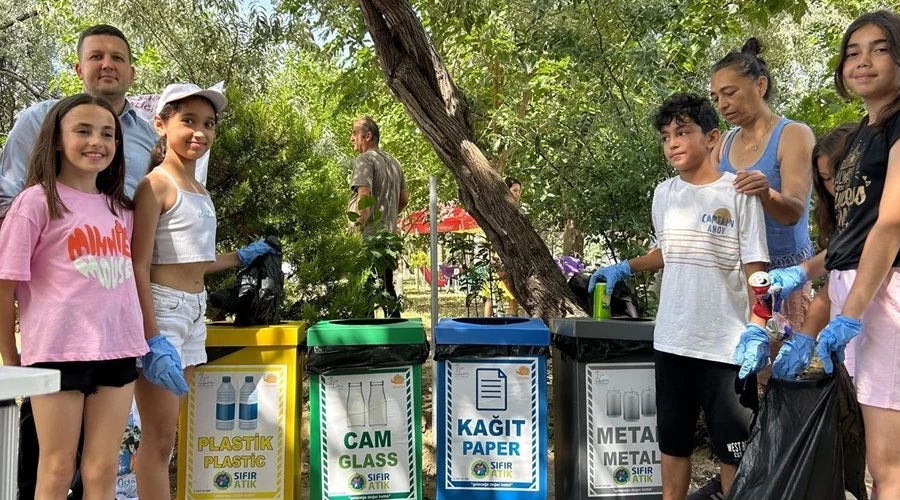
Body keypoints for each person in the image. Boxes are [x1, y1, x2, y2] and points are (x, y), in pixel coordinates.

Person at [588, 93, 769, 499]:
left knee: (733, 451)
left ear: (712, 138)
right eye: (667, 135)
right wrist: (626, 267)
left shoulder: (738, 192)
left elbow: (757, 269)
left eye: (683, 132)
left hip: (727, 347)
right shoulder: (664, 194)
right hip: (672, 340)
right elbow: (671, 251)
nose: (673, 142)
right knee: (672, 443)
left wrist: (758, 329)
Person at [769, 11, 900, 495]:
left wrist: (852, 313)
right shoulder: (867, 130)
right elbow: (851, 238)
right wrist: (801, 275)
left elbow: (889, 226)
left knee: (889, 467)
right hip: (864, 298)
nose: (863, 61)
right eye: (853, 52)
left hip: (883, 299)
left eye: (880, 48)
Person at [130, 83, 278, 499]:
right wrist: (152, 334)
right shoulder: (155, 186)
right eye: (188, 121)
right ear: (161, 124)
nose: (200, 132)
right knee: (156, 444)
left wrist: (240, 256)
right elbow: (138, 264)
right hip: (164, 313)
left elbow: (193, 261)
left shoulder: (200, 190)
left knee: (168, 439)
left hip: (194, 313)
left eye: (208, 124)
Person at [0, 94, 149, 499]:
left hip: (118, 349)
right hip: (56, 352)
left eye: (107, 134)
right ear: (56, 140)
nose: (96, 141)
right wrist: (10, 359)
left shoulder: (122, 208)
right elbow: (6, 282)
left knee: (102, 469)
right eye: (82, 131)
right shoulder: (35, 202)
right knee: (56, 467)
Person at [709, 38, 816, 337]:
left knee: (778, 371)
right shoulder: (724, 142)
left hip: (784, 279)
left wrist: (765, 192)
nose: (723, 104)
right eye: (716, 97)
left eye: (730, 93)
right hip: (737, 275)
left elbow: (793, 212)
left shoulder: (793, 134)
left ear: (760, 85)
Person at [0, 25, 157, 216]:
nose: (107, 65)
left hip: (123, 243)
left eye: (117, 58)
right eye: (96, 56)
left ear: (132, 74)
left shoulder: (149, 137)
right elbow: (7, 196)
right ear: (79, 70)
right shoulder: (40, 118)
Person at [348, 116, 409, 317]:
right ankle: (398, 339)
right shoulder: (395, 162)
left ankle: (364, 343)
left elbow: (364, 198)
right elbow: (404, 199)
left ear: (368, 136)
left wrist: (356, 232)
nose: (351, 138)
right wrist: (388, 217)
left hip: (368, 241)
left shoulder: (364, 160)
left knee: (365, 293)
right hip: (388, 240)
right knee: (387, 290)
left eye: (354, 133)